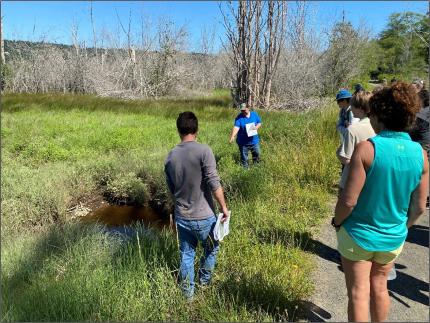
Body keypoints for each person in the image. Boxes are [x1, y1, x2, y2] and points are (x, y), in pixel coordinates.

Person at [332, 82, 429, 322]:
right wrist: (401, 228)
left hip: (358, 234)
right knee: (380, 287)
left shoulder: (367, 149)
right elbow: (418, 207)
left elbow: (349, 200)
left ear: (380, 115)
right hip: (392, 237)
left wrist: (337, 221)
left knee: (358, 293)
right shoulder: (421, 154)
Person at [164, 111, 230, 300]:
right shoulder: (204, 151)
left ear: (179, 131)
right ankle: (204, 283)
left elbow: (171, 189)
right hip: (204, 217)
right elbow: (213, 182)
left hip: (182, 217)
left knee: (186, 255)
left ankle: (188, 296)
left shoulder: (170, 156)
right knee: (212, 248)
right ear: (196, 129)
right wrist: (224, 208)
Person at [337, 91, 375, 193]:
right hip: (372, 178)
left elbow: (345, 158)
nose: (351, 108)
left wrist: (339, 152)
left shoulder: (353, 129)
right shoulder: (377, 126)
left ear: (359, 108)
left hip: (353, 179)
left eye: (352, 105)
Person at [229, 102, 262, 168]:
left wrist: (256, 127)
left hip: (254, 141)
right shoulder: (239, 118)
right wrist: (232, 136)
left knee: (257, 154)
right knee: (244, 158)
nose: (243, 111)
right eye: (241, 110)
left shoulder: (254, 114)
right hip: (243, 142)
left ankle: (256, 168)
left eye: (244, 109)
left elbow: (259, 122)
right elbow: (236, 127)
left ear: (248, 108)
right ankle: (245, 170)